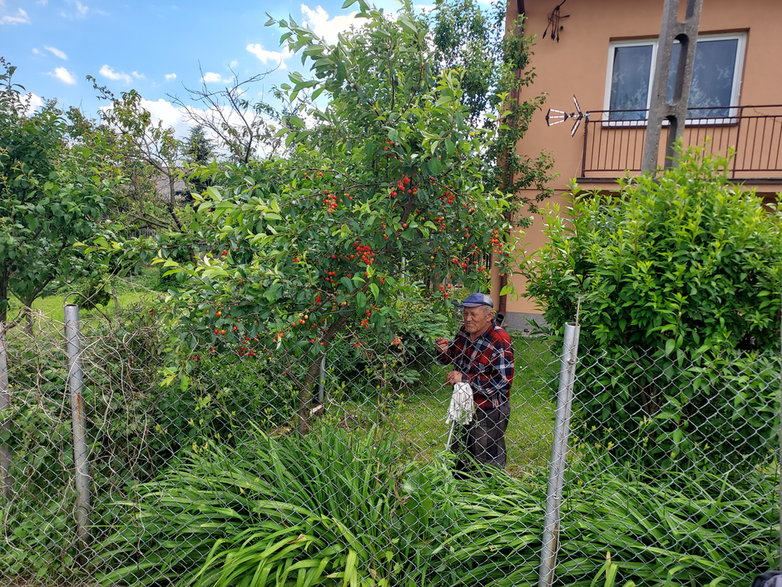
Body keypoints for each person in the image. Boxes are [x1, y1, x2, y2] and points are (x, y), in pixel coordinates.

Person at [435, 292, 514, 472]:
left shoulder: (500, 340)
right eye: (465, 314)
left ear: (489, 316)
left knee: (485, 459)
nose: (468, 319)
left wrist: (464, 378)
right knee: (461, 453)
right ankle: (461, 491)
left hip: (488, 408)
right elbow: (452, 357)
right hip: (464, 403)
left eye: (473, 314)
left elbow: (502, 382)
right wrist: (443, 350)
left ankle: (488, 493)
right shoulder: (465, 331)